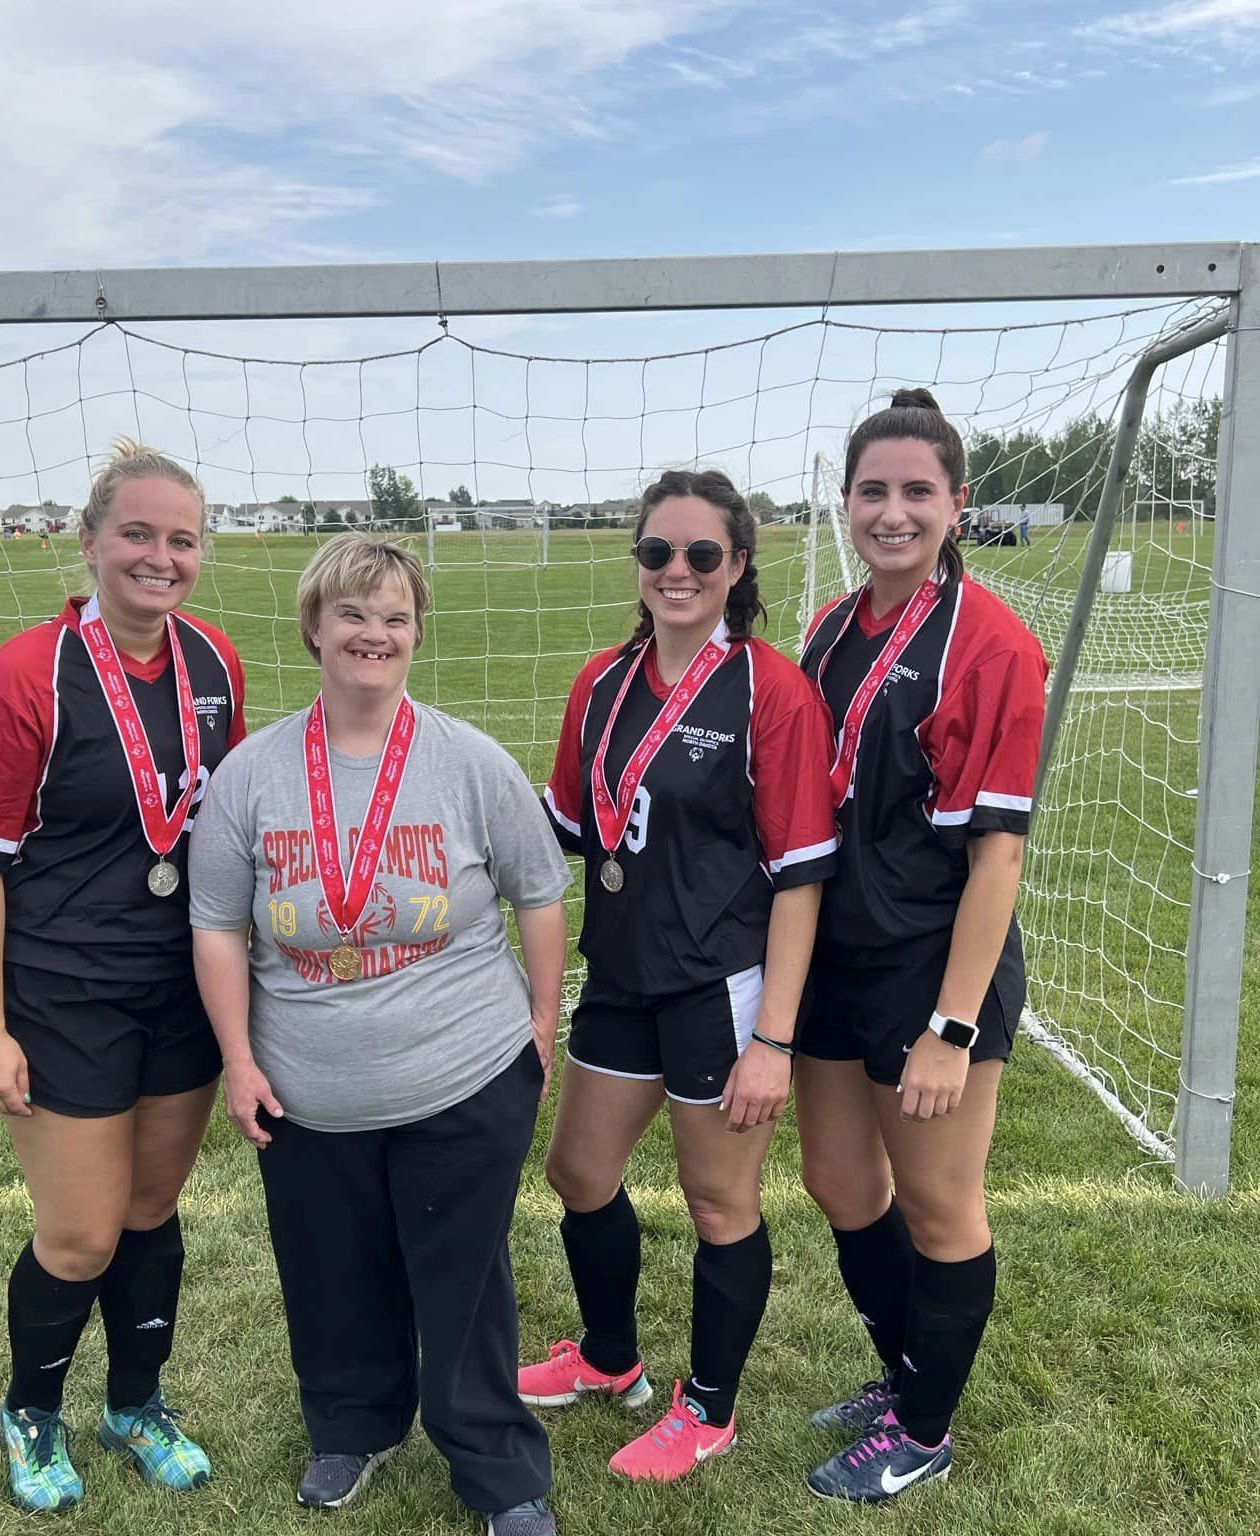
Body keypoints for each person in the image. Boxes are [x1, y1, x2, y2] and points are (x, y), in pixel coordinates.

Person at [189, 534, 570, 1536]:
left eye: (396, 617)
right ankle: (352, 1426)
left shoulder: (469, 760)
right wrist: (237, 1058)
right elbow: (217, 927)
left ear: (415, 634)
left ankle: (494, 1464)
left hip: (464, 1074)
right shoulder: (252, 773)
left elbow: (538, 891)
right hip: (308, 1088)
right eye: (354, 614)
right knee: (330, 1270)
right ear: (315, 626)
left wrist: (539, 1018)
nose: (375, 634)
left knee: (465, 1284)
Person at [0, 441, 247, 1513]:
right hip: (63, 991)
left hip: (180, 985)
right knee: (81, 1232)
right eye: (136, 534)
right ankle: (31, 1412)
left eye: (180, 539)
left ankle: (138, 1404)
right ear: (90, 540)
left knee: (151, 1210)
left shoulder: (215, 664)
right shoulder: (25, 673)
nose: (159, 556)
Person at [517, 469, 837, 1484]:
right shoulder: (601, 685)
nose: (678, 572)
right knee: (577, 1174)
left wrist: (774, 1041)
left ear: (738, 566)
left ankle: (710, 1408)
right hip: (619, 976)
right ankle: (611, 1359)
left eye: (703, 554)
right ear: (639, 564)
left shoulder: (770, 691)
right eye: (658, 552)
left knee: (717, 1203)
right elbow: (569, 828)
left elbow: (799, 879)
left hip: (719, 988)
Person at [795, 389, 1048, 1503]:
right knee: (841, 1182)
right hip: (836, 957)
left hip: (933, 967)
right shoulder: (832, 628)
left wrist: (951, 1026)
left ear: (957, 504)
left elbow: (997, 856)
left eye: (916, 492)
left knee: (940, 1204)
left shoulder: (991, 644)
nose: (891, 513)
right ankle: (903, 1373)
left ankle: (925, 1429)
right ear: (847, 502)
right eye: (872, 491)